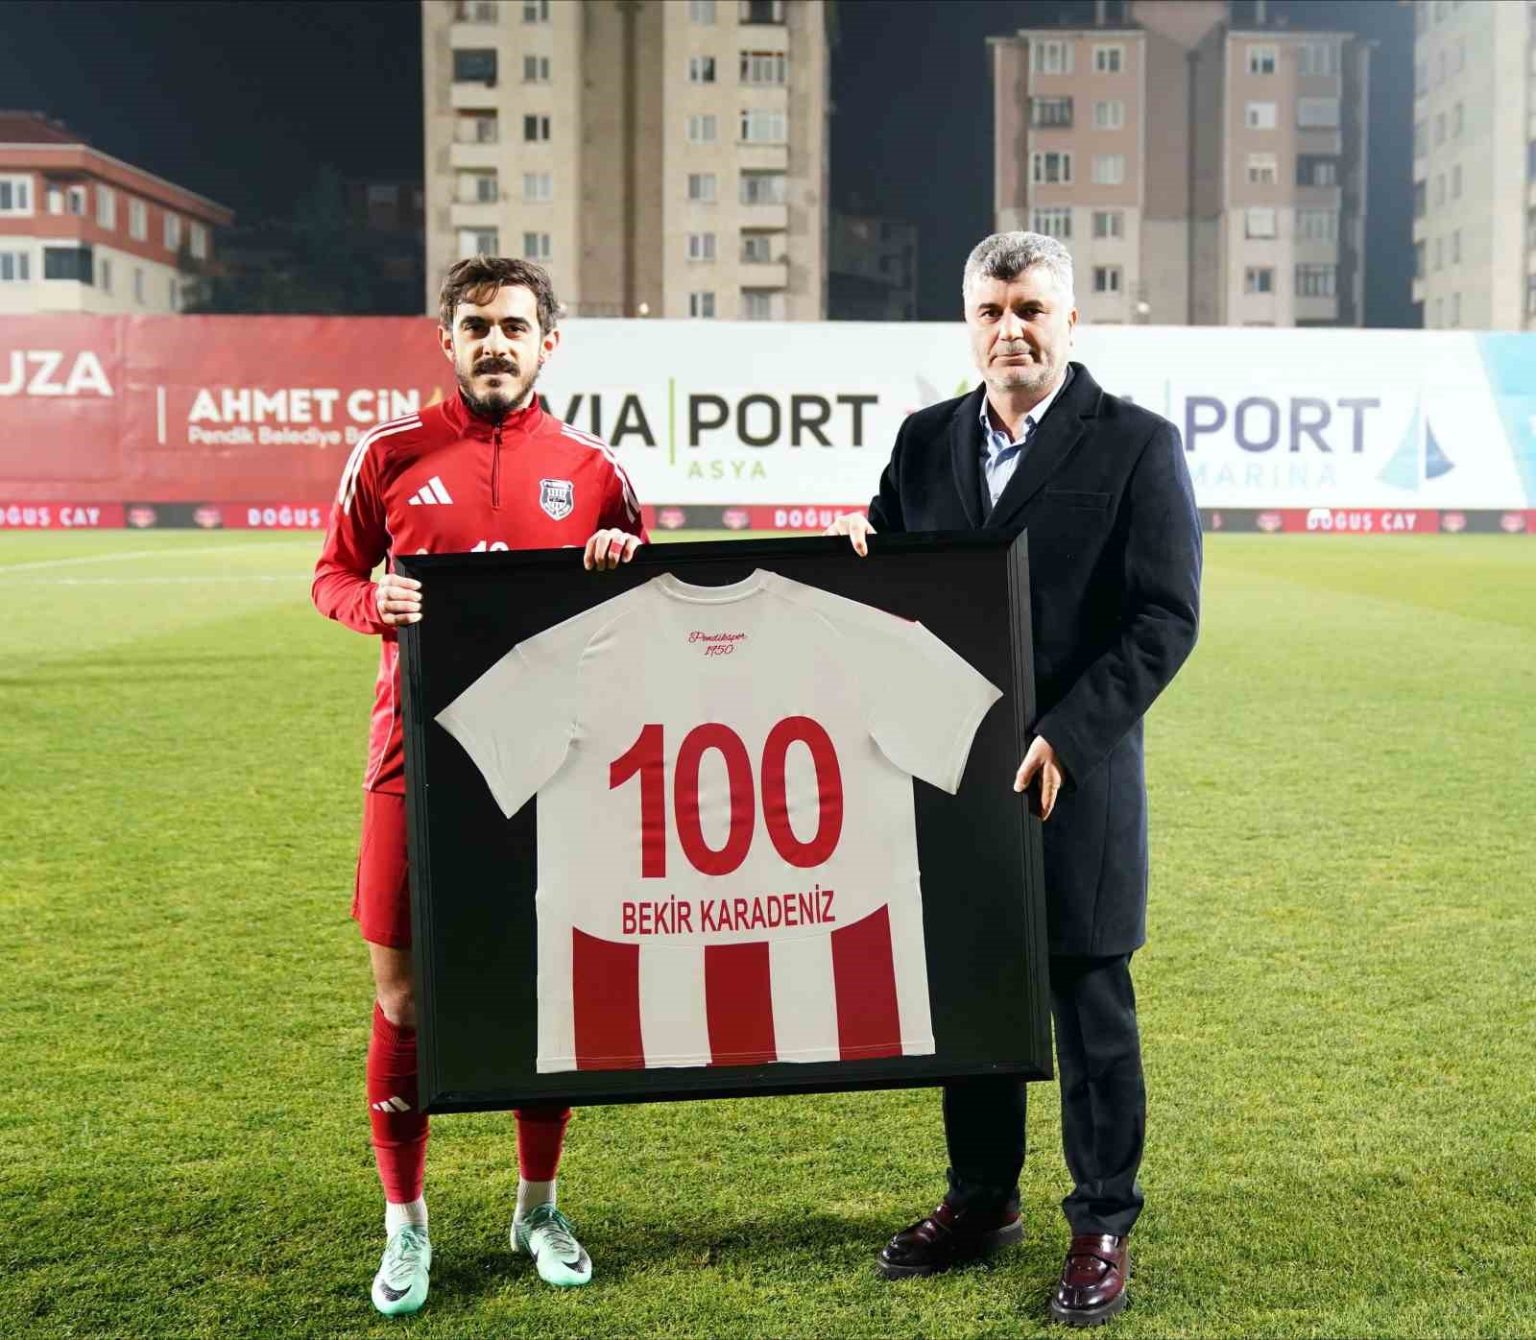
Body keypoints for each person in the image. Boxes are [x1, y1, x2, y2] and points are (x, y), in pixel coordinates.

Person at [826, 231, 1201, 1327]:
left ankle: (1102, 1221)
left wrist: (1069, 736)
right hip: (952, 776)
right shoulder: (923, 440)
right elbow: (891, 578)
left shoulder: (1136, 444)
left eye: (1031, 309)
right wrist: (858, 549)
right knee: (974, 996)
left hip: (1076, 779)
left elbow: (1164, 617)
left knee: (1090, 1007)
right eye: (991, 311)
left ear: (1070, 320)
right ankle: (983, 1200)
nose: (1010, 331)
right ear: (968, 324)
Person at [312, 255, 647, 1317]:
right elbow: (331, 574)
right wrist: (372, 602)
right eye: (476, 325)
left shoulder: (593, 468)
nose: (494, 342)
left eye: (513, 326)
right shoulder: (389, 454)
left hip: (554, 763)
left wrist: (625, 558)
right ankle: (405, 1221)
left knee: (543, 988)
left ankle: (537, 1207)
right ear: (446, 340)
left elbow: (645, 602)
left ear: (549, 342)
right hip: (410, 761)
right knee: (404, 996)